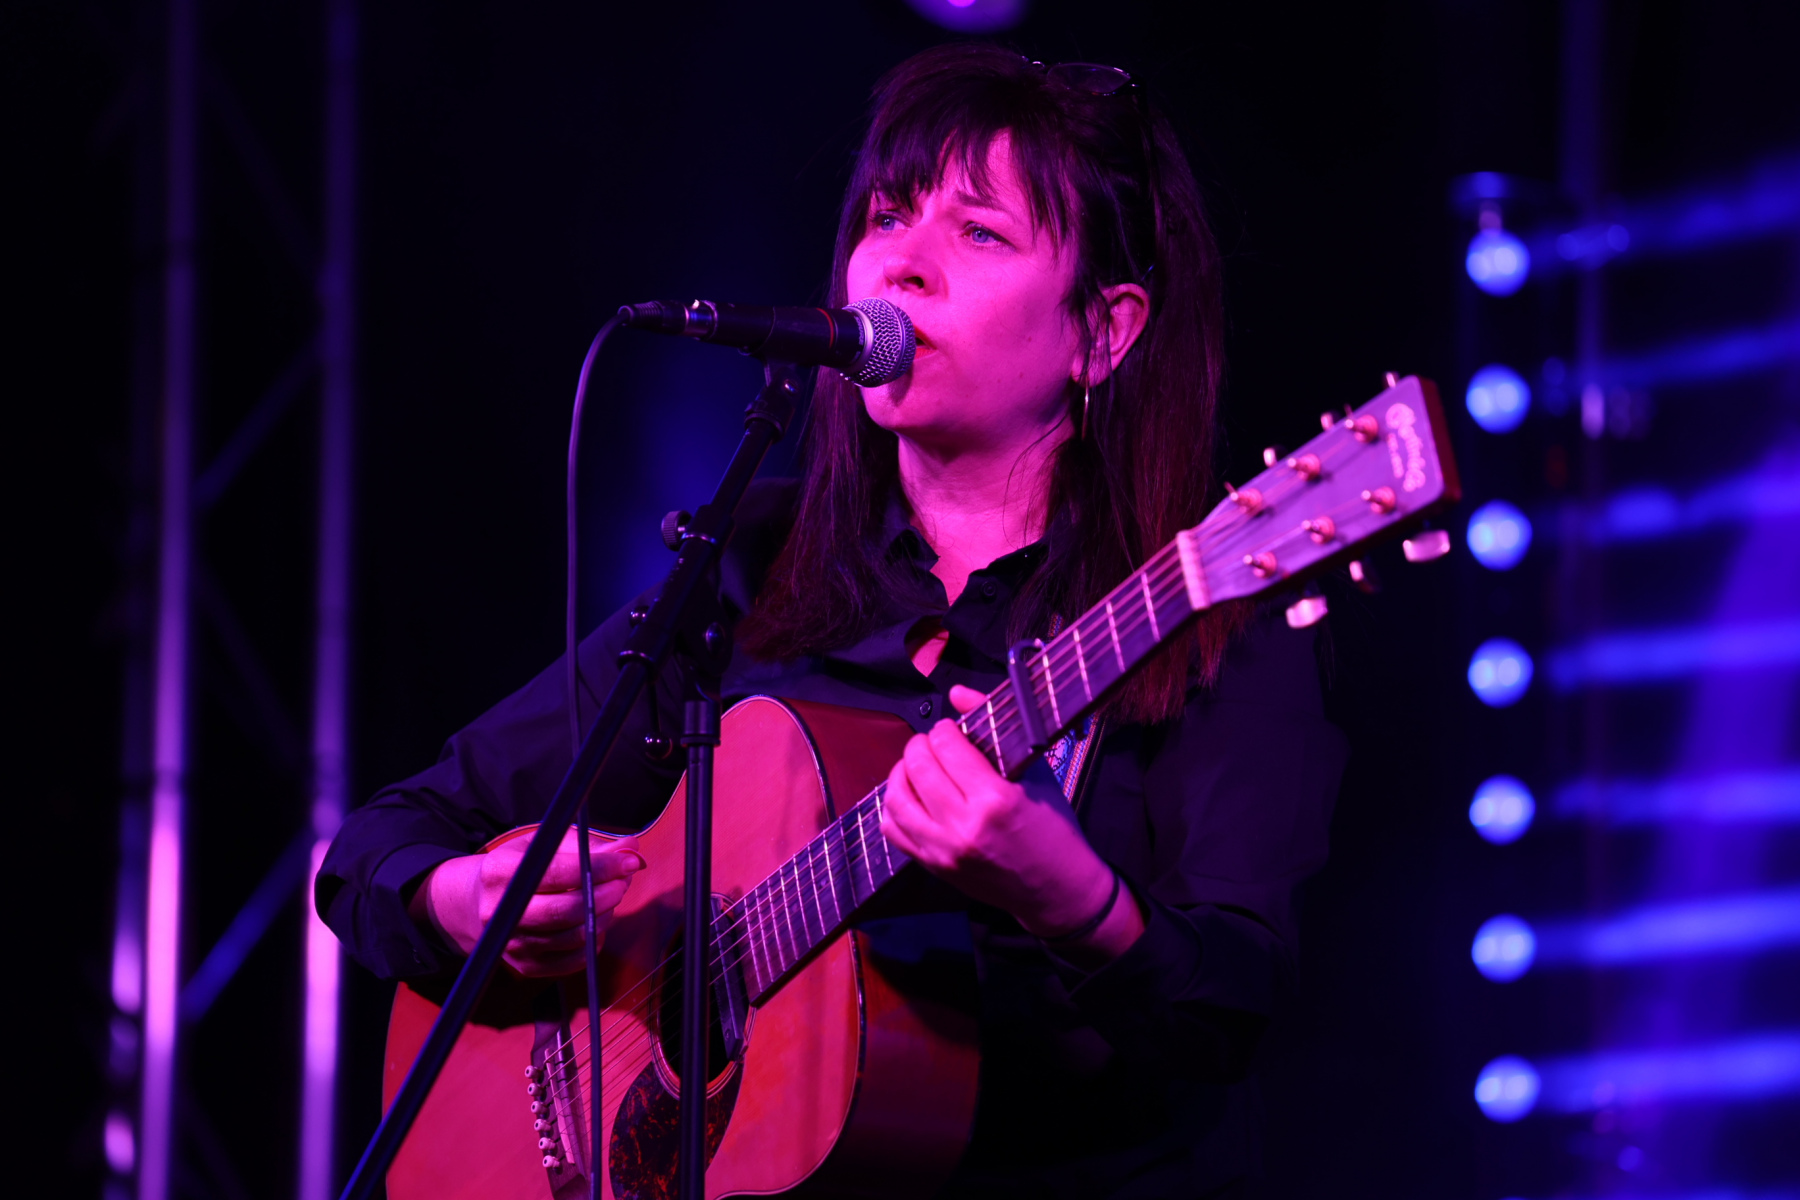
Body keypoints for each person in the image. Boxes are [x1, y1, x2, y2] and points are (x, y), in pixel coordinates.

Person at [318, 42, 1346, 1198]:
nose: (901, 261)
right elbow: (381, 844)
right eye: (888, 215)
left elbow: (1233, 1009)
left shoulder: (1209, 615)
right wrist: (465, 902)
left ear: (1101, 332)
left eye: (980, 233)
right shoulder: (752, 569)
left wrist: (1068, 894)